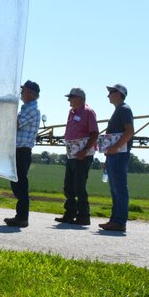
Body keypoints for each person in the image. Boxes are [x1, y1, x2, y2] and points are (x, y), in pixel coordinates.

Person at [56, 87, 98, 226]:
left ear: (80, 98)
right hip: (72, 154)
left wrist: (85, 151)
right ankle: (70, 214)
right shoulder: (71, 112)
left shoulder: (89, 112)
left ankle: (84, 216)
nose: (69, 100)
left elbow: (94, 133)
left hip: (83, 155)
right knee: (68, 185)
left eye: (71, 97)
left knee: (79, 186)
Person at [4, 80, 40, 228]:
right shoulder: (26, 108)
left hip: (22, 150)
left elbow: (15, 124)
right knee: (16, 183)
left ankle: (22, 217)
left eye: (23, 90)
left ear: (31, 93)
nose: (21, 93)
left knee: (20, 184)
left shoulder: (31, 109)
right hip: (18, 150)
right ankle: (20, 216)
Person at [99, 84, 134, 233]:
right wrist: (108, 157)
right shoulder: (119, 110)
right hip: (114, 155)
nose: (108, 95)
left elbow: (130, 131)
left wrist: (115, 147)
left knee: (119, 188)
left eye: (111, 92)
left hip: (119, 155)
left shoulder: (124, 109)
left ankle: (119, 222)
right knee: (115, 189)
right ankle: (115, 220)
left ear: (119, 94)